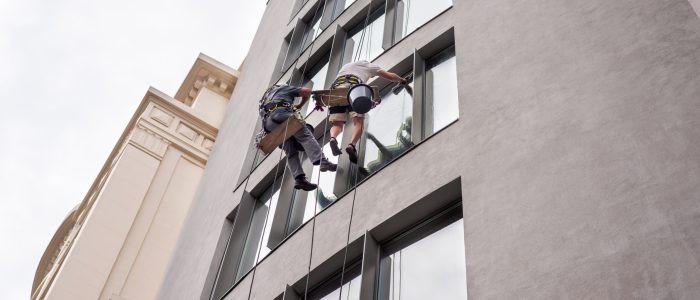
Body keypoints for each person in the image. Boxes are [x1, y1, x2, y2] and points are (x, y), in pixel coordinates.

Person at [324, 60, 406, 163]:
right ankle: (352, 145)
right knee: (358, 123)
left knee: (337, 124)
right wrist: (401, 80)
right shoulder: (369, 66)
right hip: (353, 91)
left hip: (335, 92)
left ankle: (333, 138)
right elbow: (390, 76)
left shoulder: (346, 66)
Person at [260, 84, 337, 191]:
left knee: (290, 150)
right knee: (305, 136)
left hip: (270, 125)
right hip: (281, 114)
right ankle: (322, 161)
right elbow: (307, 91)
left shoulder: (266, 99)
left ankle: (299, 179)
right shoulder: (284, 88)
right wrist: (300, 104)